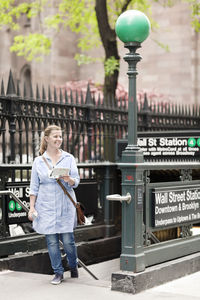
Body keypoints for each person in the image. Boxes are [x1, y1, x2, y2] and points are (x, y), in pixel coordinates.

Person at [28, 124, 80, 285]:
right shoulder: (38, 161)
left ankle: (73, 265)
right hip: (46, 206)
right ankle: (58, 272)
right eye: (55, 136)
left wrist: (69, 179)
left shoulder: (69, 158)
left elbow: (76, 181)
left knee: (68, 241)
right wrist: (32, 207)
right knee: (51, 241)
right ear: (47, 139)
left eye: (60, 136)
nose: (59, 139)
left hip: (65, 205)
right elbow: (34, 187)